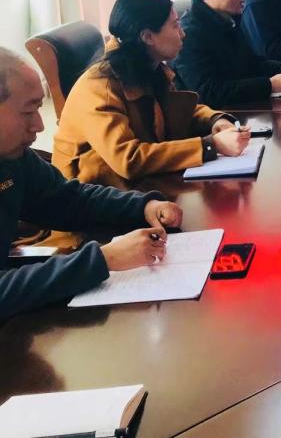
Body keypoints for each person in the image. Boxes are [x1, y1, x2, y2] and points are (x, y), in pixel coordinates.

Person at [0, 48, 185, 320]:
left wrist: (144, 206)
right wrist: (102, 260)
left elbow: (68, 199)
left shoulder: (14, 158)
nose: (39, 125)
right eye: (28, 112)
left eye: (39, 109)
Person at [53, 0, 250, 190]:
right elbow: (128, 159)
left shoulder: (146, 65)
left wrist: (215, 121)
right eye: (175, 25)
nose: (183, 34)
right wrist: (210, 145)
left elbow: (177, 109)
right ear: (147, 36)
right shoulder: (100, 86)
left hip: (137, 183)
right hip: (92, 192)